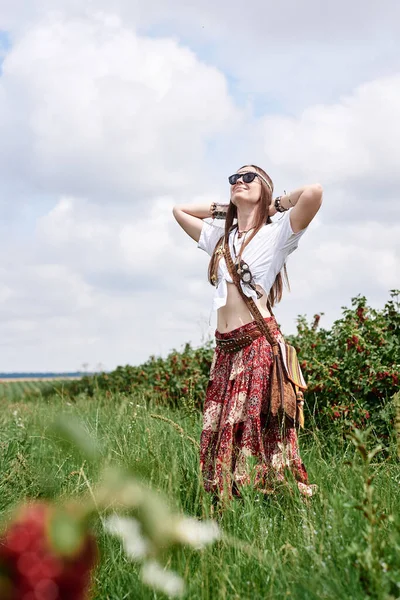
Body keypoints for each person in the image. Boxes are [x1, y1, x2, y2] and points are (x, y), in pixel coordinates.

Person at [173, 165, 323, 500]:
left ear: (265, 189)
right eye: (233, 179)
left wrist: (274, 207)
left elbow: (313, 192)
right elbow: (178, 211)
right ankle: (237, 503)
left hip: (257, 343)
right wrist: (227, 210)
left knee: (251, 433)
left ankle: (275, 498)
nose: (238, 181)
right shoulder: (221, 239)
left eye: (248, 178)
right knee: (218, 432)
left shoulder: (277, 234)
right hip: (225, 350)